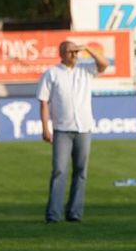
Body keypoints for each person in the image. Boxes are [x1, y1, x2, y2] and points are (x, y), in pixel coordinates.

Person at [37, 41, 108, 224]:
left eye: (76, 52)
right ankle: (53, 214)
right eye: (71, 52)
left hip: (84, 127)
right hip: (62, 129)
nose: (75, 55)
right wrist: (45, 128)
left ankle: (74, 212)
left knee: (80, 171)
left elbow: (104, 64)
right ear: (62, 54)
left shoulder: (85, 70)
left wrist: (88, 50)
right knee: (59, 170)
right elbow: (44, 101)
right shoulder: (52, 73)